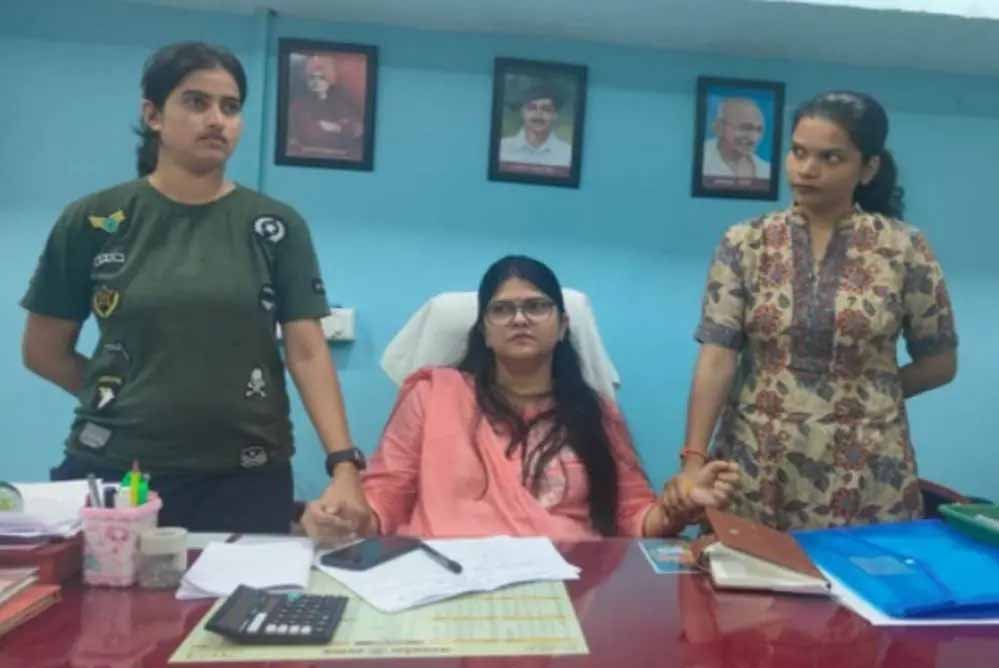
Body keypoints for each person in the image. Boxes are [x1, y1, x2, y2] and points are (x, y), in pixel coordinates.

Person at [20, 42, 367, 533]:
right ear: (153, 115)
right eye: (196, 102)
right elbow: (42, 351)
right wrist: (129, 401)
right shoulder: (93, 219)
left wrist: (344, 466)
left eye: (230, 107)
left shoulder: (276, 227)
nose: (216, 120)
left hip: (245, 478)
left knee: (246, 587)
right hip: (117, 471)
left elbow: (308, 352)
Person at [671, 91, 958, 531]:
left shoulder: (904, 248)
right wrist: (693, 461)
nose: (806, 169)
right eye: (799, 152)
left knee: (860, 574)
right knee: (744, 572)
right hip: (755, 463)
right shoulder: (747, 242)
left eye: (830, 157)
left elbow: (939, 363)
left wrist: (866, 395)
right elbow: (716, 358)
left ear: (868, 168)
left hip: (865, 469)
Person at [303, 256, 739, 540]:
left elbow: (634, 518)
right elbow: (384, 501)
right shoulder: (432, 396)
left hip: (567, 588)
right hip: (446, 583)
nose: (519, 319)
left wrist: (680, 508)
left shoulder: (596, 414)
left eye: (536, 306)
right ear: (484, 330)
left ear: (563, 325)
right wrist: (347, 516)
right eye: (502, 309)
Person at [287, 53, 364, 161]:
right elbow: (309, 135)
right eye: (312, 77)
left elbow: (358, 129)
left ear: (329, 79)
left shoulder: (340, 102)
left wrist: (335, 128)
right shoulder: (298, 105)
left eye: (321, 78)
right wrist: (340, 128)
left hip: (341, 158)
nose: (316, 82)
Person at [498, 80, 573, 168]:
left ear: (554, 115)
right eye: (532, 108)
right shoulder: (502, 148)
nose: (538, 114)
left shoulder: (567, 154)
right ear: (522, 112)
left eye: (546, 109)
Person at [702, 97, 771, 180]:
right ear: (719, 127)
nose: (754, 138)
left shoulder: (766, 170)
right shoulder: (701, 158)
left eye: (759, 130)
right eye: (745, 128)